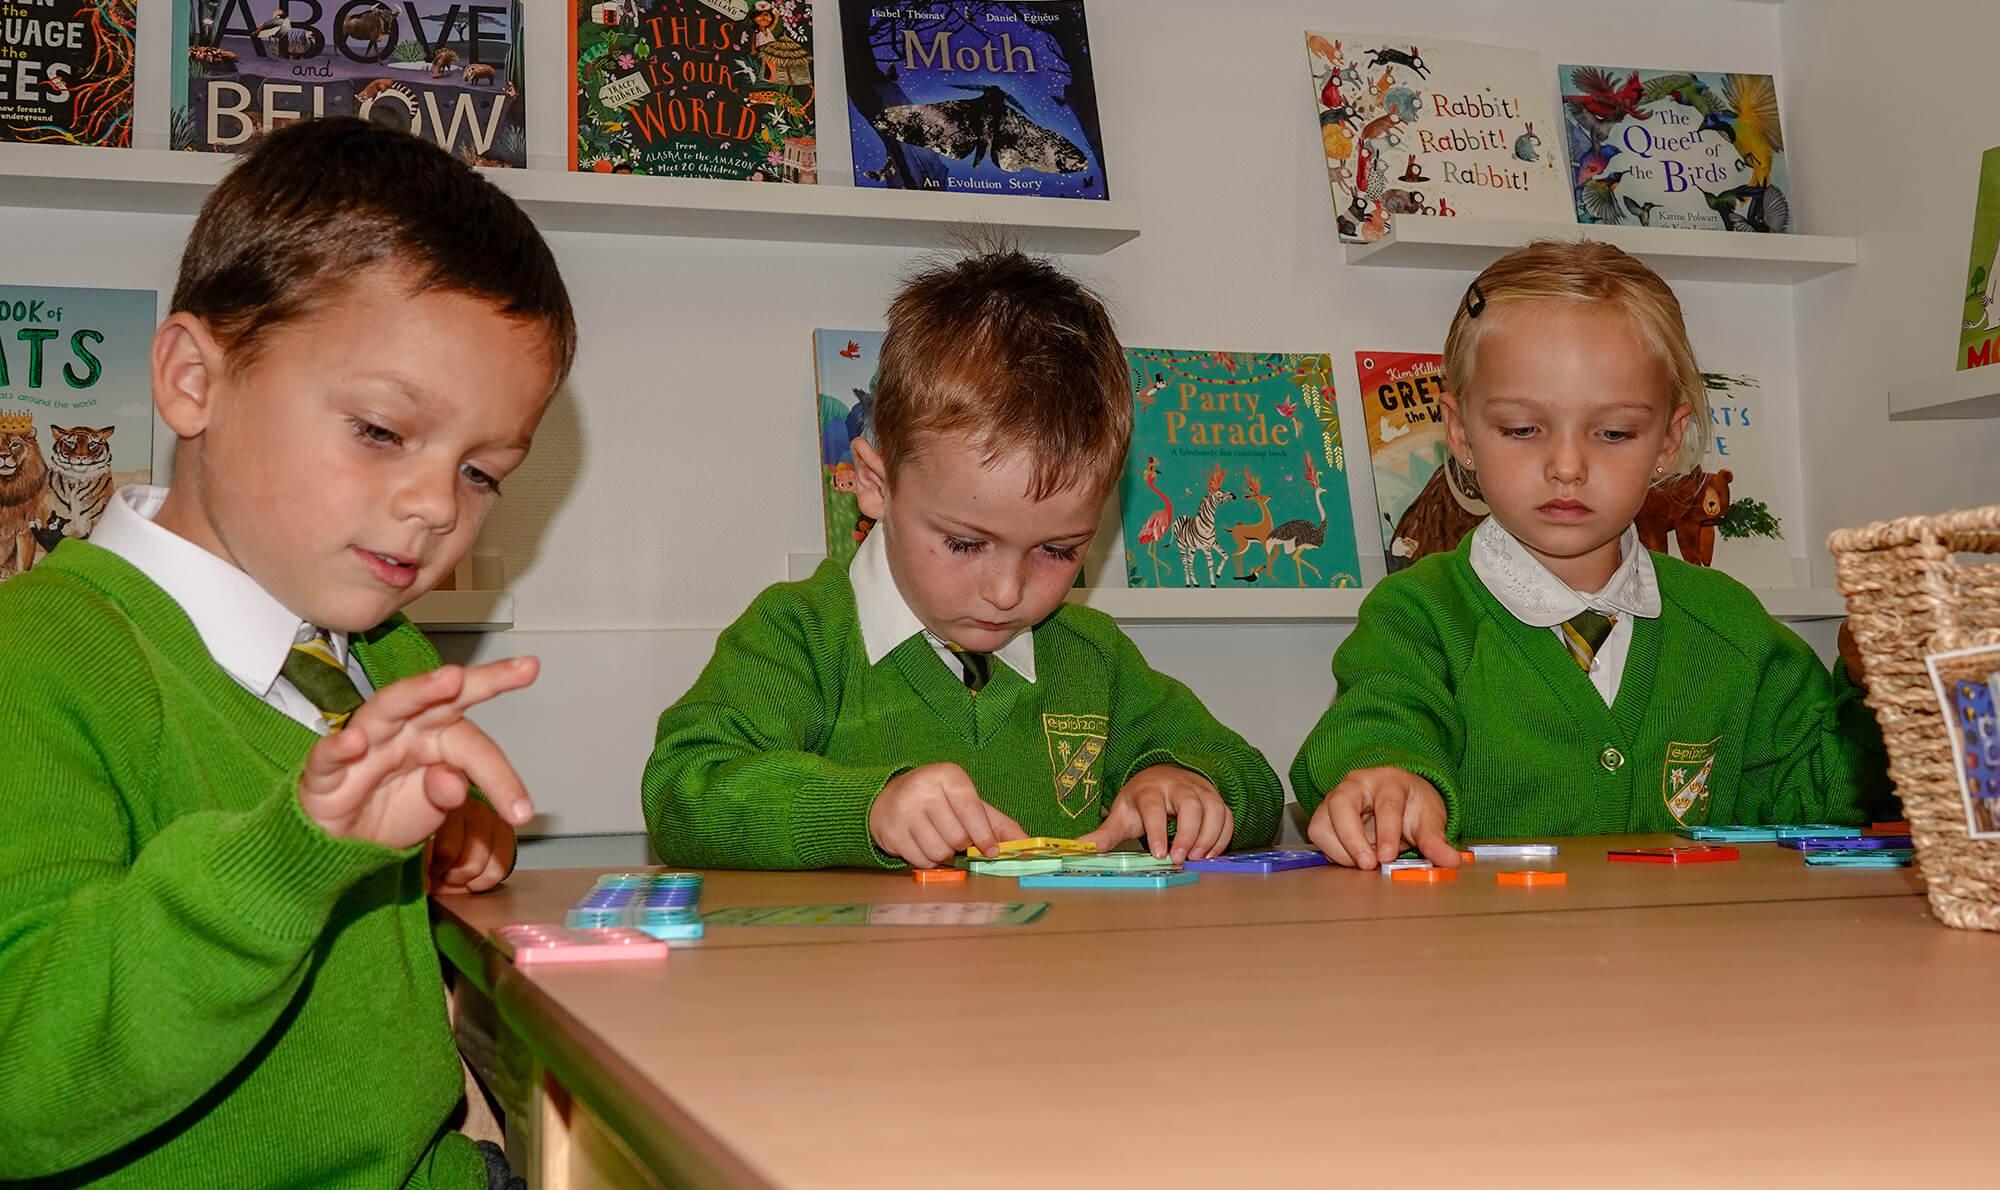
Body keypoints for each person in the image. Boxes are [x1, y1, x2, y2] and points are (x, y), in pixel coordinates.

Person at [0, 118, 576, 1186]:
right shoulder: (34, 658)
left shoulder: (386, 657)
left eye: (482, 472)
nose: (434, 506)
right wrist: (291, 853)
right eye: (380, 430)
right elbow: (17, 1082)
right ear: (193, 379)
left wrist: (457, 836)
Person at [643, 248, 1283, 869]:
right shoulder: (802, 635)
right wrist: (868, 809)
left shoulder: (1092, 655)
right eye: (965, 544)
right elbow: (684, 791)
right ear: (875, 484)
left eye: (1057, 551)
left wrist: (1182, 785)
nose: (1007, 592)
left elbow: (1252, 781)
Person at [1292, 240, 1888, 869]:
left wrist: (1880, 692)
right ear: (1461, 433)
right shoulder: (1420, 614)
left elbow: (1825, 799)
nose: (1568, 467)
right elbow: (1379, 719)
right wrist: (1388, 777)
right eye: (1523, 429)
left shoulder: (1731, 626)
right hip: (1479, 935)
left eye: (1614, 433)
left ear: (1668, 441)